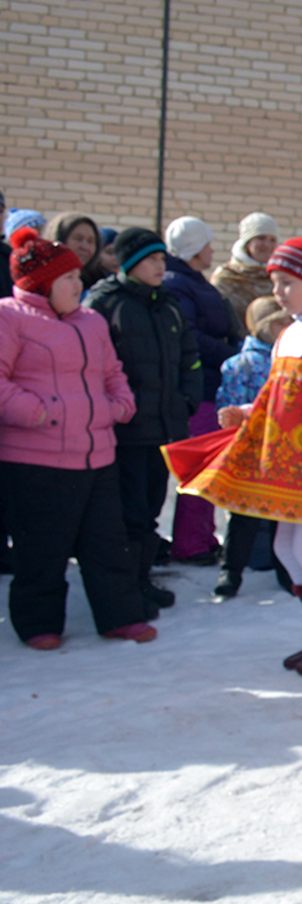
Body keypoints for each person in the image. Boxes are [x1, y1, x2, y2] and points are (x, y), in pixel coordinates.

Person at [163, 237, 302, 676]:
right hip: (288, 466)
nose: (278, 292)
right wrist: (245, 413)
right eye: (276, 283)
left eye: (287, 282)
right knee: (286, 546)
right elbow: (277, 396)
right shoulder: (288, 334)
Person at [0, 228, 155, 646]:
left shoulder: (91, 321)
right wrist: (41, 411)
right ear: (42, 284)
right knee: (42, 550)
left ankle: (120, 615)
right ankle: (39, 623)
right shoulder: (9, 316)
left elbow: (112, 373)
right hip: (36, 458)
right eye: (68, 278)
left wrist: (120, 404)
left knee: (108, 543)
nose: (79, 283)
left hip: (98, 453)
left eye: (77, 275)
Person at [87, 228, 202, 617]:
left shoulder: (169, 305)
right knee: (127, 514)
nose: (161, 265)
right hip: (126, 432)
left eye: (162, 258)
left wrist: (186, 400)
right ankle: (125, 588)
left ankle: (142, 579)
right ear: (132, 263)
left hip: (165, 427)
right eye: (153, 259)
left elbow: (190, 358)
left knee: (151, 509)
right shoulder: (106, 303)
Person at [163, 216, 243, 565]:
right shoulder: (178, 284)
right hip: (203, 386)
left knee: (211, 465)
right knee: (201, 466)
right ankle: (190, 542)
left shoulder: (193, 281)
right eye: (208, 244)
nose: (213, 249)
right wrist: (232, 356)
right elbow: (190, 336)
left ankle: (203, 536)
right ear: (194, 248)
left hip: (215, 382)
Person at [212, 296, 293, 598]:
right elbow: (228, 406)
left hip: (282, 449)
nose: (287, 327)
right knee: (243, 515)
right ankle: (230, 571)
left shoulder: (290, 361)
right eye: (280, 322)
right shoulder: (240, 364)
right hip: (251, 449)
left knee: (281, 513)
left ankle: (287, 571)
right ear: (263, 327)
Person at [210, 211, 280, 326]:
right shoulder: (226, 277)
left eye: (272, 240)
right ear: (247, 242)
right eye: (261, 238)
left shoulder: (278, 277)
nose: (267, 245)